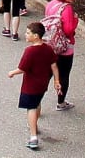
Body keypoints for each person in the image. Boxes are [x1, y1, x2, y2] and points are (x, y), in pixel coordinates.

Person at [7, 19, 62, 151]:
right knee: (37, 103)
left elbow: (23, 68)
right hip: (43, 83)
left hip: (30, 85)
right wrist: (56, 81)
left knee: (31, 108)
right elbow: (54, 66)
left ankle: (33, 136)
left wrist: (12, 73)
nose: (25, 35)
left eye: (28, 33)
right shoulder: (48, 48)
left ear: (35, 36)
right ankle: (35, 125)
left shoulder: (30, 51)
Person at [44, 0, 81, 109]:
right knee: (64, 75)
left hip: (50, 45)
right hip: (65, 47)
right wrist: (75, 20)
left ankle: (37, 99)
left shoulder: (51, 4)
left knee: (48, 73)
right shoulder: (67, 8)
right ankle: (61, 102)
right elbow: (69, 30)